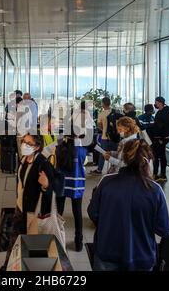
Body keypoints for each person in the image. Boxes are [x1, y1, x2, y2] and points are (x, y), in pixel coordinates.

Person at [88, 139, 169, 271]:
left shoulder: (106, 182)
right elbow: (164, 229)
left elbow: (93, 213)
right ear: (148, 161)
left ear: (124, 158)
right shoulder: (155, 190)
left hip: (107, 252)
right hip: (142, 256)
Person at [0, 134, 54, 271]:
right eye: (24, 141)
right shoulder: (24, 159)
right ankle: (8, 266)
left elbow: (57, 185)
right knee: (14, 241)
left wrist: (46, 185)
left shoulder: (43, 163)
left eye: (29, 143)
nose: (24, 145)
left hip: (33, 213)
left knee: (31, 245)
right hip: (20, 208)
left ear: (37, 147)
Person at [56, 102, 93, 252]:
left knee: (59, 211)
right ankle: (78, 242)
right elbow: (87, 160)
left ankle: (57, 238)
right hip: (77, 184)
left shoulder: (60, 145)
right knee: (77, 212)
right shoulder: (82, 149)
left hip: (61, 182)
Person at [90, 97, 120, 175]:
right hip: (115, 137)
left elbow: (99, 126)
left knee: (103, 153)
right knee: (115, 153)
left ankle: (99, 170)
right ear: (110, 103)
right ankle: (114, 169)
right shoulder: (115, 112)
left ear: (103, 104)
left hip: (105, 137)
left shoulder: (101, 114)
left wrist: (105, 130)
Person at [151, 96, 169, 183]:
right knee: (159, 156)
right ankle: (158, 174)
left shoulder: (166, 111)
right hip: (159, 137)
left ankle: (160, 174)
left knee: (158, 156)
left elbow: (165, 126)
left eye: (156, 102)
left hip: (161, 138)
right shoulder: (162, 111)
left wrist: (162, 138)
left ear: (160, 102)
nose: (155, 104)